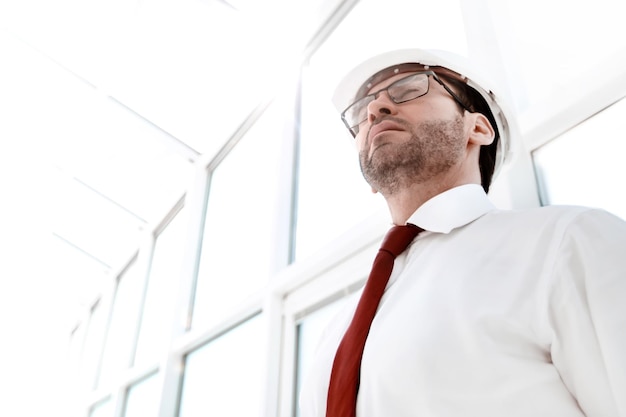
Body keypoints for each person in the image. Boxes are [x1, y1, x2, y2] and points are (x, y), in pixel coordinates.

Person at [298, 48, 626, 417]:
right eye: (361, 114)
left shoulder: (569, 244)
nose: (375, 111)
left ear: (478, 128)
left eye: (408, 88)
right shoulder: (334, 334)